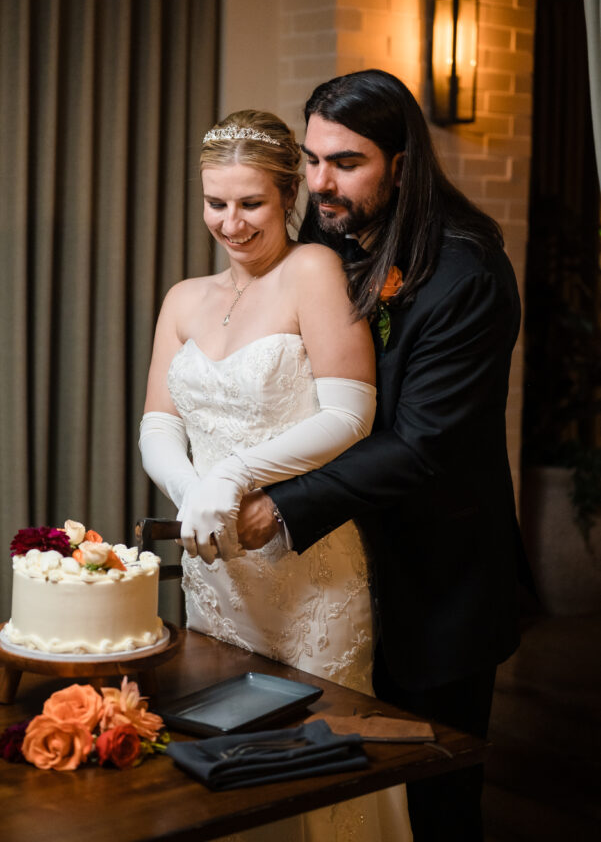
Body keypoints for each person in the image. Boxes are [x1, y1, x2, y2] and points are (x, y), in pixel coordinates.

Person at [226, 70, 528, 842]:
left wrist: (284, 503)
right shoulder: (328, 243)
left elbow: (422, 444)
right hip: (340, 577)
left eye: (346, 162)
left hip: (437, 583)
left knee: (433, 799)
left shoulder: (467, 273)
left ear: (401, 162)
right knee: (337, 796)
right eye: (313, 159)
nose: (320, 184)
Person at [139, 109, 413, 842]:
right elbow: (158, 425)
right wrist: (193, 490)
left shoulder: (313, 271)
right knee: (227, 766)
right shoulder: (183, 298)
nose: (231, 223)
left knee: (317, 764)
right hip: (217, 575)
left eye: (251, 203)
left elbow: (349, 413)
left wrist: (228, 476)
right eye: (215, 203)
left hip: (308, 570)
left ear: (288, 195)